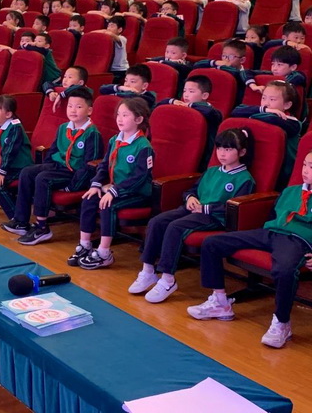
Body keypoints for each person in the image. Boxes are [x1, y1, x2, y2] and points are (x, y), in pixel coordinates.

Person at [188, 149, 312, 348]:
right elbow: (273, 217)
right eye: (304, 165)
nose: (304, 170)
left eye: (311, 167)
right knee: (213, 243)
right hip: (270, 232)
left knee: (285, 269)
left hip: (297, 240)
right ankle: (220, 302)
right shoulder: (291, 191)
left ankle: (282, 323)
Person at [130, 128, 255, 304]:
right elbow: (192, 190)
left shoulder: (245, 179)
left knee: (175, 227)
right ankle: (148, 270)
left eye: (228, 149)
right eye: (219, 148)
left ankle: (167, 279)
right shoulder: (212, 171)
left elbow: (235, 207)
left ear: (241, 152)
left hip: (214, 217)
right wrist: (190, 198)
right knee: (157, 221)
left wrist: (206, 208)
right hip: (194, 209)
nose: (222, 154)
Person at [1, 87, 104, 244]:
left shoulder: (92, 134)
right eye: (70, 106)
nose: (73, 110)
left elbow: (90, 165)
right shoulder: (63, 128)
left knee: (43, 178)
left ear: (89, 110)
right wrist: (46, 166)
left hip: (72, 172)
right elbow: (53, 151)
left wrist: (73, 186)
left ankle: (42, 227)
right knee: (27, 172)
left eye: (78, 107)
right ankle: (21, 221)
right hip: (57, 166)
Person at [70, 97, 154, 270]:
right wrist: (96, 184)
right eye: (118, 115)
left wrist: (114, 191)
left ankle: (104, 253)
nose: (120, 119)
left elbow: (139, 178)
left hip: (136, 193)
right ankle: (84, 245)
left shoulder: (143, 147)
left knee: (107, 204)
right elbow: (104, 165)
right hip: (115, 188)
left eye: (125, 115)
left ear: (138, 119)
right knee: (89, 198)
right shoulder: (114, 140)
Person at [230, 80, 301, 185]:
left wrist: (253, 115)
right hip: (257, 163)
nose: (266, 103)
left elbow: (271, 119)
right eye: (263, 98)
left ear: (287, 105)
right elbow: (236, 111)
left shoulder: (293, 123)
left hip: (282, 174)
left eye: (272, 99)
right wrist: (265, 110)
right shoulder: (265, 111)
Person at [155, 75, 222, 165]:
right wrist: (172, 101)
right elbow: (158, 106)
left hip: (202, 155)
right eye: (184, 91)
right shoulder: (183, 107)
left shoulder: (212, 112)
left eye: (191, 91)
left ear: (204, 95)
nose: (186, 95)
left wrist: (189, 105)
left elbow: (210, 112)